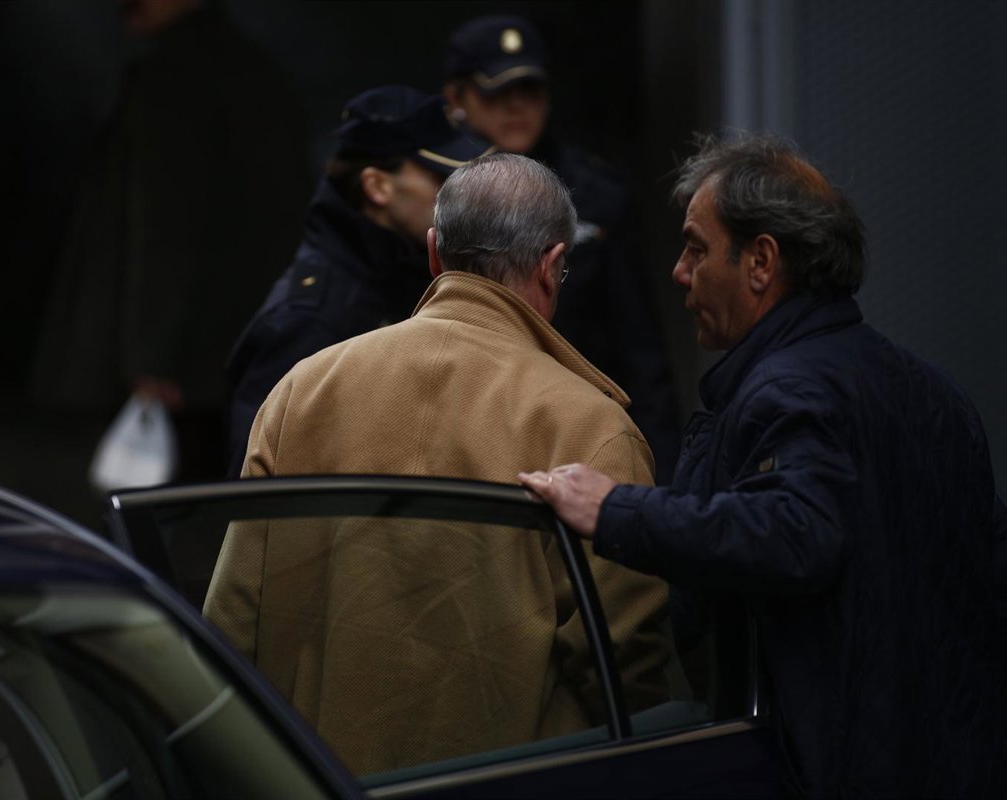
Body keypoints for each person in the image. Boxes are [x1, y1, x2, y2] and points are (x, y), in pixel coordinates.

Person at [520, 133, 1007, 797]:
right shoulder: (930, 388)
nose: (680, 271)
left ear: (761, 262)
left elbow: (795, 533)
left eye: (697, 248)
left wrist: (614, 509)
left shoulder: (787, 390)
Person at [205, 153, 670, 774]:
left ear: (433, 252)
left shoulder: (302, 391)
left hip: (321, 781)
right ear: (553, 264)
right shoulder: (594, 429)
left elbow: (233, 620)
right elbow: (625, 664)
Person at [32, 0, 309, 490]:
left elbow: (165, 223)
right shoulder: (251, 66)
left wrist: (150, 357)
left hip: (181, 366)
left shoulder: (176, 72)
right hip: (240, 348)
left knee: (166, 510)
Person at [441, 14, 683, 482]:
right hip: (462, 425)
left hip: (578, 432)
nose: (516, 106)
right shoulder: (431, 192)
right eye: (496, 92)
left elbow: (639, 345)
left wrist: (663, 480)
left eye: (529, 90)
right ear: (456, 98)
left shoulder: (597, 194)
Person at [223, 85, 493, 477]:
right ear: (378, 186)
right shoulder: (312, 320)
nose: (463, 197)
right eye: (442, 180)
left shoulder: (417, 274)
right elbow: (259, 484)